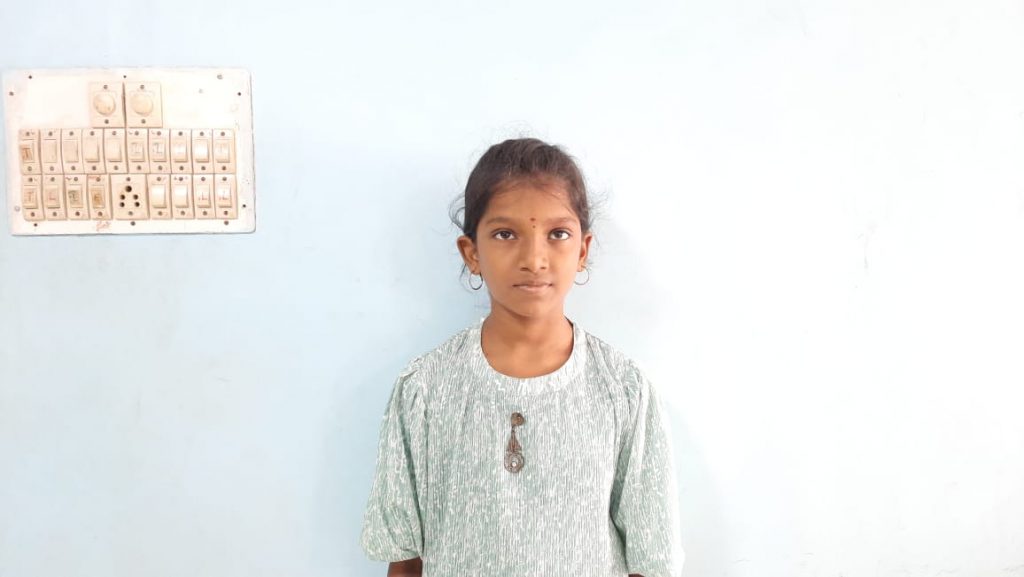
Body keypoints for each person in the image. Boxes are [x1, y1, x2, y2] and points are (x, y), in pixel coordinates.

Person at [359, 138, 683, 577]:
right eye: (505, 234)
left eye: (557, 234)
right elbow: (405, 557)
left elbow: (650, 558)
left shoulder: (623, 390)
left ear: (582, 250)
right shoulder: (425, 390)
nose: (534, 259)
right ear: (472, 253)